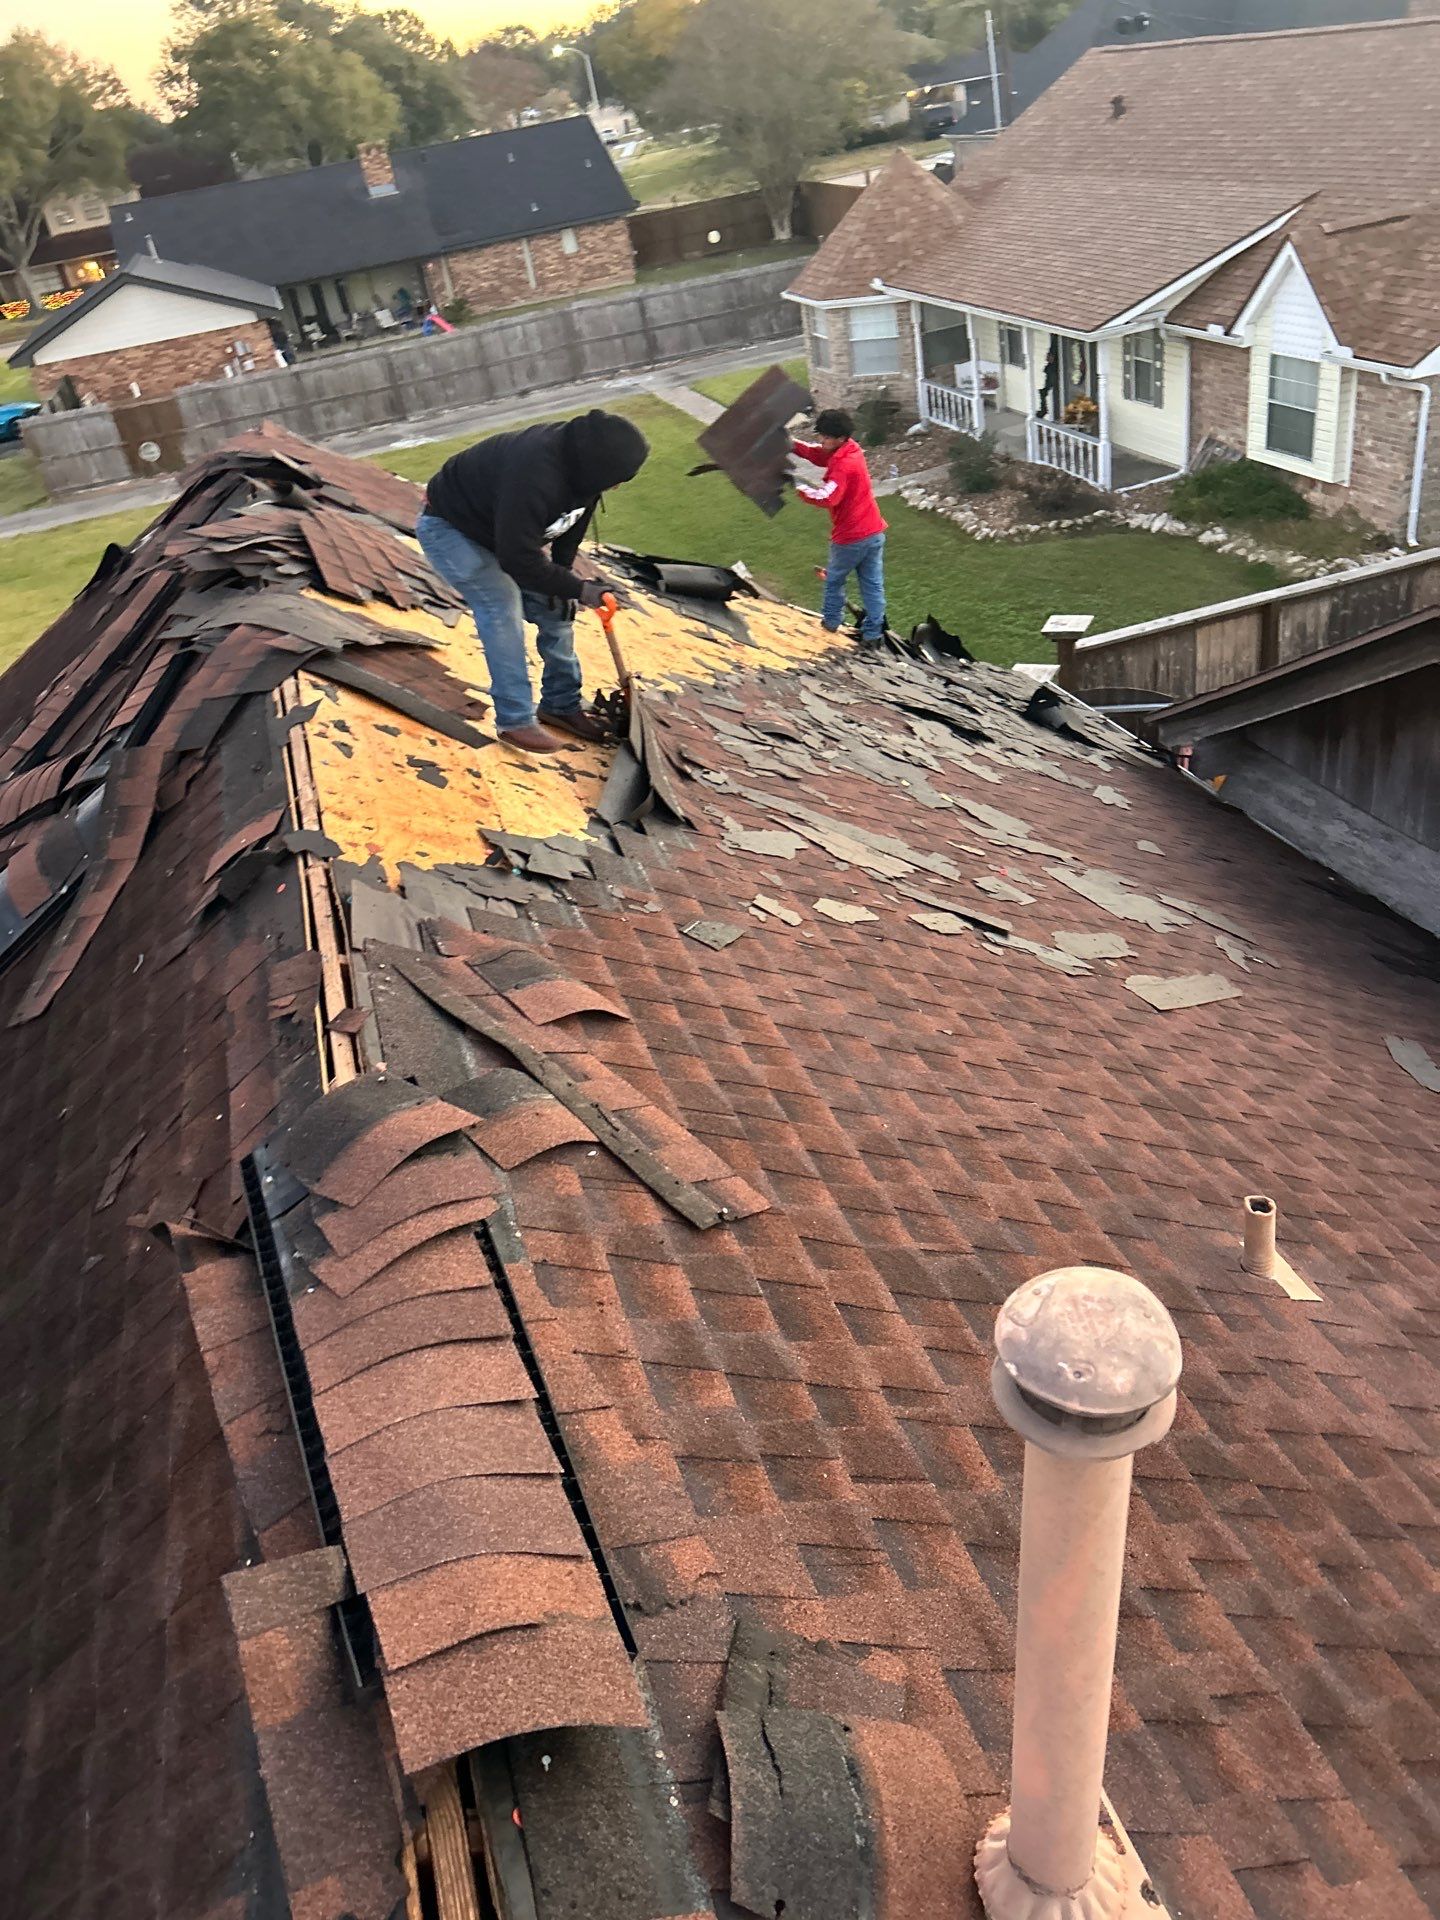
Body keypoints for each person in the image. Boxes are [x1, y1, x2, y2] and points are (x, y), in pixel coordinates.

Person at [418, 410, 650, 752]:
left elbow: (575, 519)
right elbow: (517, 559)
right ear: (597, 465)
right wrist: (582, 589)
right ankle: (515, 721)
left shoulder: (584, 463)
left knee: (557, 608)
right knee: (501, 602)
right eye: (615, 479)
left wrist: (565, 577)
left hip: (503, 534)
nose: (615, 486)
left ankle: (560, 703)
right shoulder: (534, 472)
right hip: (451, 528)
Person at [791, 409, 888, 642]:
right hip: (873, 531)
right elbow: (819, 455)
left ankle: (831, 622)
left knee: (834, 579)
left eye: (825, 437)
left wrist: (799, 488)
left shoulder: (844, 464)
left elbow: (828, 497)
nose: (821, 440)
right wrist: (791, 444)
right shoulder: (849, 449)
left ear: (840, 438)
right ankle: (873, 634)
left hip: (851, 537)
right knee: (872, 584)